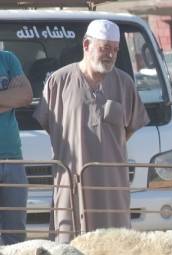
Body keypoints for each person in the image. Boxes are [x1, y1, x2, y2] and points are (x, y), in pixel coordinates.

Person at [34, 19, 149, 243]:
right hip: (71, 183)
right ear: (86, 45)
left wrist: (107, 149)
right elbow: (51, 126)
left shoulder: (124, 83)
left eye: (114, 49)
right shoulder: (58, 82)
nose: (110, 55)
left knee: (115, 247)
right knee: (69, 248)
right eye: (104, 48)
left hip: (112, 186)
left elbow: (130, 127)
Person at [0, 51, 33, 245]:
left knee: (16, 235)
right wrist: (9, 99)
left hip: (13, 158)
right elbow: (17, 97)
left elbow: (26, 96)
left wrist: (17, 97)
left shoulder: (8, 59)